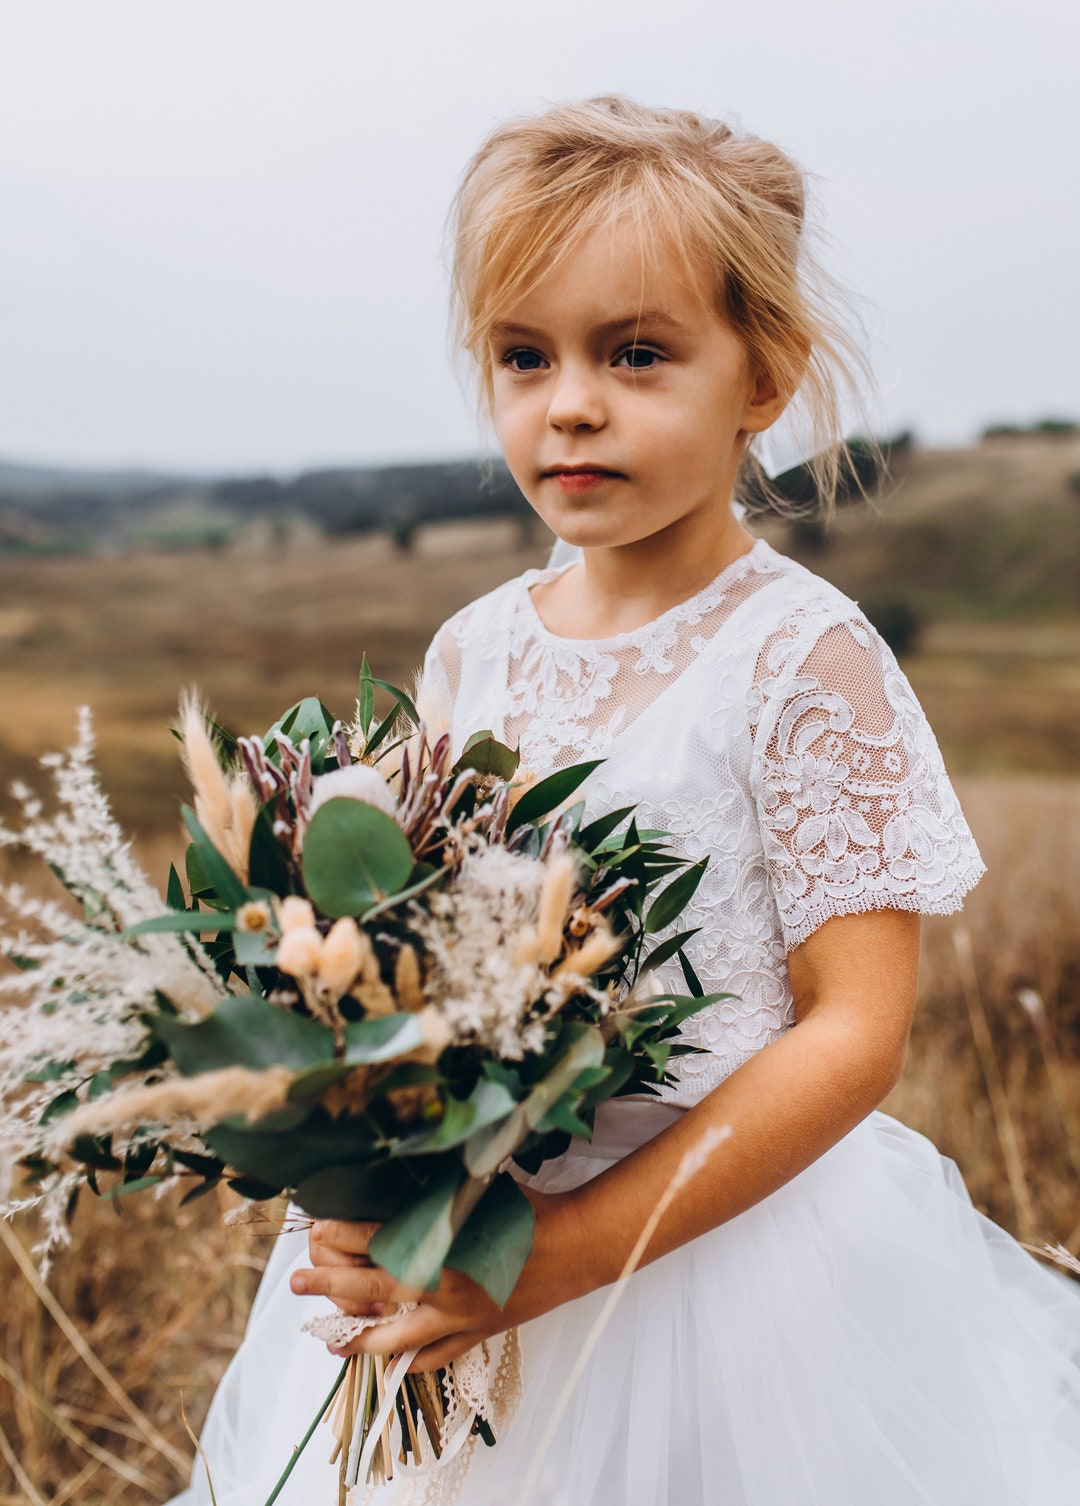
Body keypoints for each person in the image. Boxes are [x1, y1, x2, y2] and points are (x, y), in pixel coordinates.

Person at [173, 97, 1080, 1505]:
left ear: (762, 375)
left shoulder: (802, 656)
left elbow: (854, 1026)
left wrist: (570, 1251)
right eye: (524, 355)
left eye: (637, 352)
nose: (572, 401)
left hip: (729, 1266)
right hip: (474, 1243)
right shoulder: (476, 646)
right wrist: (377, 1173)